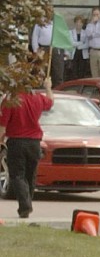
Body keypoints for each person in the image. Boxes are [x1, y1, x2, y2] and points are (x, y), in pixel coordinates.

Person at [3, 78, 52, 219]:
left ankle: (25, 205)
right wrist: (48, 87)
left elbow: (2, 126)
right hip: (34, 142)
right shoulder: (37, 98)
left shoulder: (11, 100)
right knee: (30, 175)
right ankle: (27, 203)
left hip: (16, 141)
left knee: (17, 175)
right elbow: (50, 103)